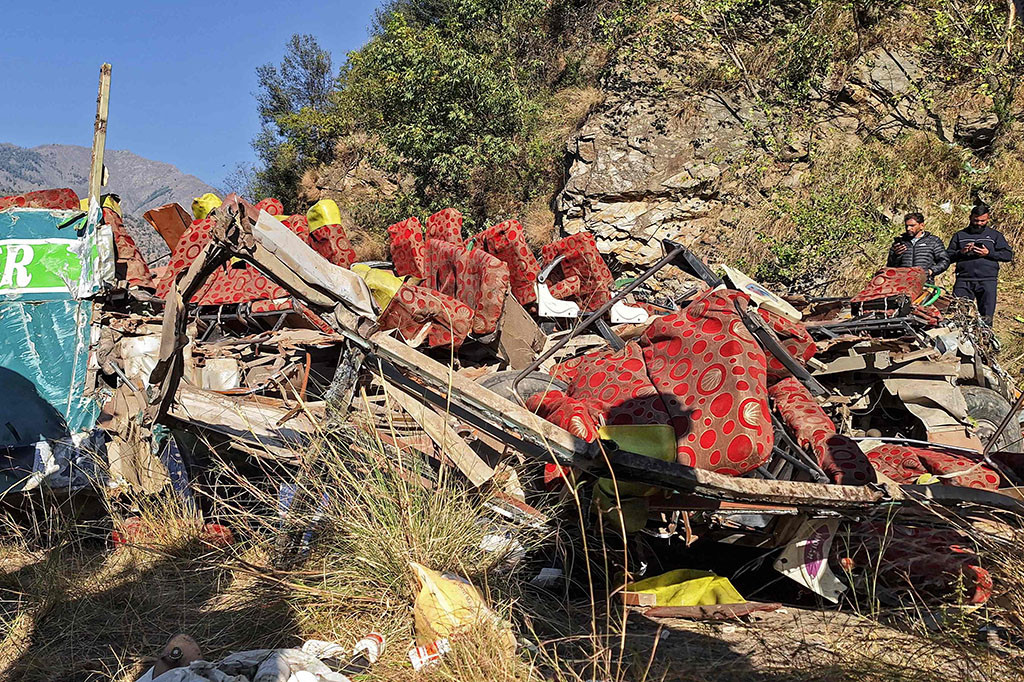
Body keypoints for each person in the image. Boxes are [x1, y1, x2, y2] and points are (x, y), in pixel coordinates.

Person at [947, 203, 1014, 324]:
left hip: (987, 280)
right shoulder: (959, 235)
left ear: (988, 219)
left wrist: (988, 253)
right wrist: (961, 252)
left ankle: (985, 340)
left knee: (986, 316)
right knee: (958, 314)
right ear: (970, 218)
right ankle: (961, 340)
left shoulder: (995, 235)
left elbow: (1008, 255)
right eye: (976, 220)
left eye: (982, 221)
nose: (979, 224)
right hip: (963, 280)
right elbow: (947, 257)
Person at [887, 212, 950, 281]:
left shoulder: (933, 241)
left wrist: (930, 271)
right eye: (906, 226)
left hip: (924, 282)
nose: (908, 228)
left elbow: (944, 261)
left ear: (921, 226)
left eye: (912, 225)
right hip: (902, 283)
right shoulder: (900, 242)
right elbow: (890, 266)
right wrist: (896, 255)